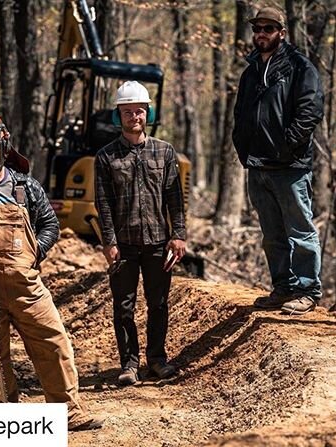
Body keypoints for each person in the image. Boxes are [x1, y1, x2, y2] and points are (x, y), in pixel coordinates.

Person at [0, 112, 102, 431]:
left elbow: (50, 223)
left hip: (27, 286)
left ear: (3, 145)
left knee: (53, 341)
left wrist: (37, 248)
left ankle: (67, 412)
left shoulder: (26, 186)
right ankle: (1, 419)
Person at [232, 6, 324, 315]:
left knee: (300, 231)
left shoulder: (300, 68)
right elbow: (240, 114)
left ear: (281, 33)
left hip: (289, 167)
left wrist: (285, 147)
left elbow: (310, 112)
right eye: (258, 28)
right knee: (272, 234)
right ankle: (283, 288)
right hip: (258, 167)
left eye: (268, 29)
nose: (261, 34)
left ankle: (308, 289)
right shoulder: (251, 71)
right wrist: (243, 149)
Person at [94, 81, 186, 386]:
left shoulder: (165, 151)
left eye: (139, 111)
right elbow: (103, 202)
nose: (134, 116)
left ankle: (157, 360)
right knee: (124, 307)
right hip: (124, 245)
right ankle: (129, 365)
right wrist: (109, 241)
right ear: (118, 116)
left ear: (148, 113)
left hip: (159, 242)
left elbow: (174, 197)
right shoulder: (106, 157)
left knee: (158, 303)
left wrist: (179, 234)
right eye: (128, 111)